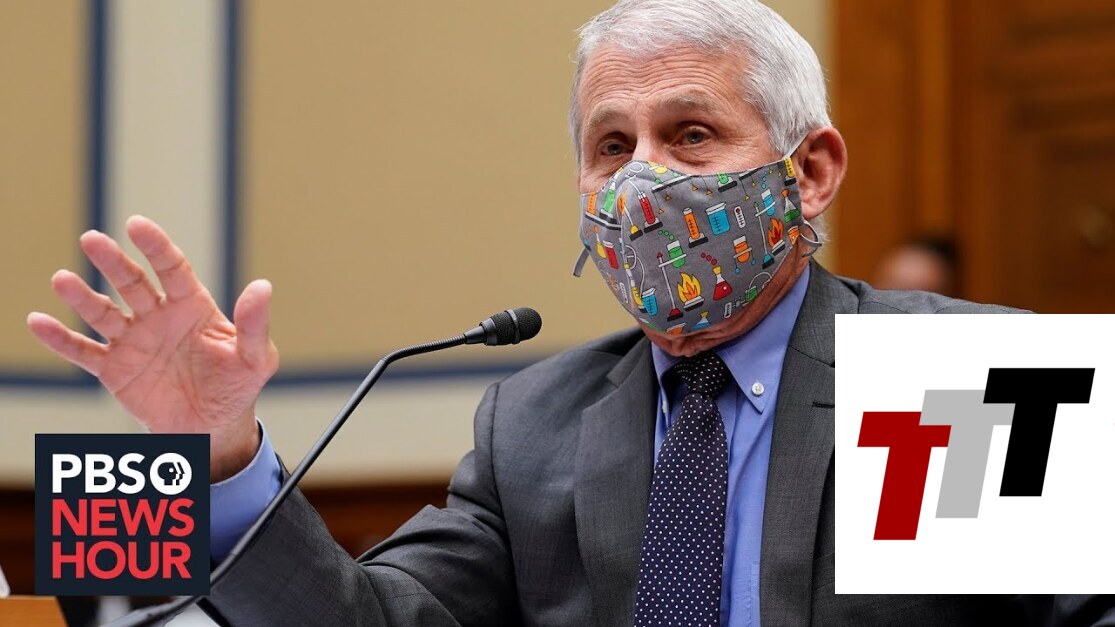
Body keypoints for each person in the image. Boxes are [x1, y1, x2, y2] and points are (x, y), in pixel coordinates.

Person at [26, 0, 1114, 624]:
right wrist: (219, 447)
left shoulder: (953, 375)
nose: (642, 182)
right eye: (610, 146)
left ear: (811, 170)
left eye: (690, 135)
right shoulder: (537, 426)